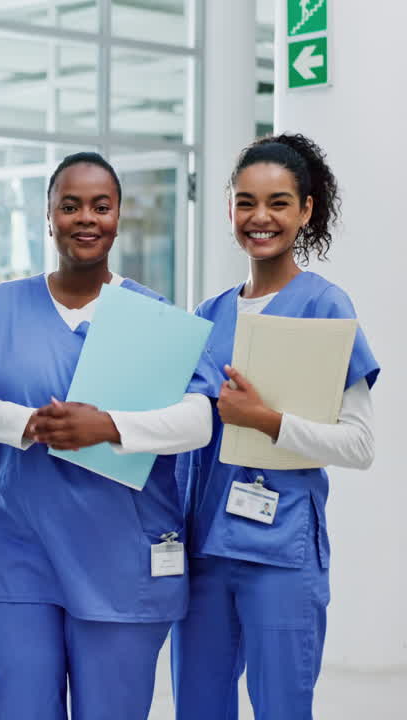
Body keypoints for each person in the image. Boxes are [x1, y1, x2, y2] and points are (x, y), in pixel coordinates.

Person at [0, 152, 212, 720]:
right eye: (70, 206)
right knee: (15, 705)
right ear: (48, 216)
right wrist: (26, 425)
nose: (86, 218)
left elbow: (199, 420)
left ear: (118, 217)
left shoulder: (153, 316)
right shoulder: (3, 304)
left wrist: (109, 426)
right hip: (17, 549)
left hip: (119, 555)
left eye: (100, 206)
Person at [171, 133, 378, 720]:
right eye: (245, 202)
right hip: (206, 549)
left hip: (282, 554)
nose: (260, 217)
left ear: (305, 210)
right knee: (198, 706)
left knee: (282, 706)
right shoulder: (205, 318)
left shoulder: (326, 308)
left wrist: (266, 421)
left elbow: (360, 445)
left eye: (279, 202)